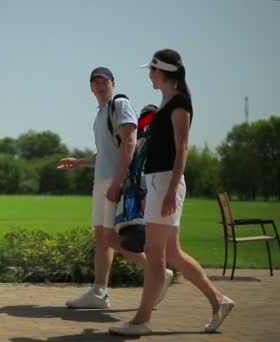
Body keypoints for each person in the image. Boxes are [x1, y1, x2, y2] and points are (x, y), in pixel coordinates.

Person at [109, 49, 234, 336]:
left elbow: (183, 148)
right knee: (171, 252)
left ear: (162, 71)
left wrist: (172, 189)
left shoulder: (180, 103)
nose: (148, 74)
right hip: (157, 181)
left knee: (155, 253)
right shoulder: (167, 101)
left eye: (151, 69)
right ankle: (219, 301)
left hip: (167, 181)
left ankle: (141, 320)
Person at [58, 67, 173, 309]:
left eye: (105, 81)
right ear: (91, 88)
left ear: (113, 83)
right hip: (102, 180)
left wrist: (118, 181)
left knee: (109, 237)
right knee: (102, 237)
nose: (101, 85)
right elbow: (108, 152)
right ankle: (99, 292)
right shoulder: (102, 113)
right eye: (96, 82)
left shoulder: (119, 104)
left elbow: (130, 142)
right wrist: (81, 163)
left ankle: (158, 272)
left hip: (113, 181)